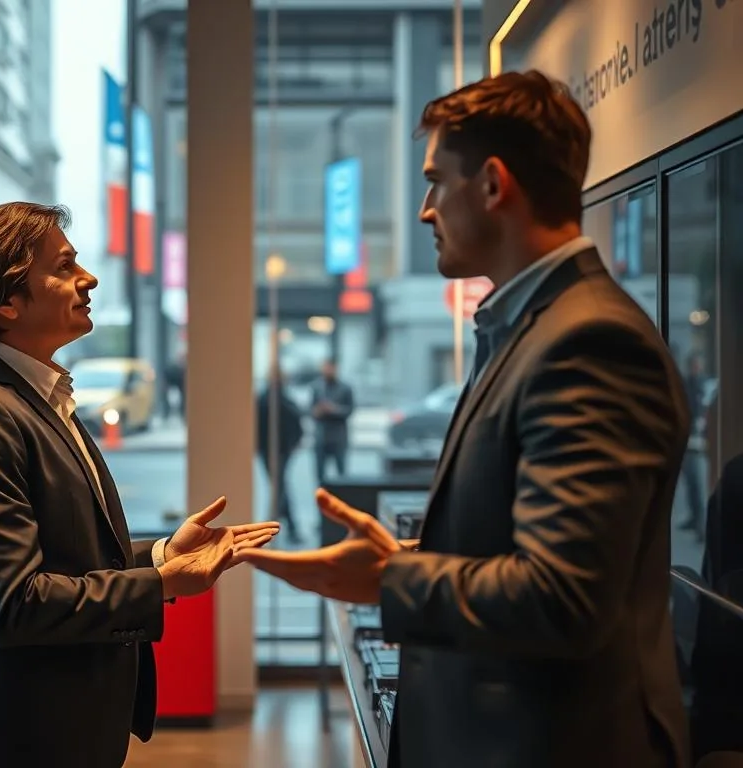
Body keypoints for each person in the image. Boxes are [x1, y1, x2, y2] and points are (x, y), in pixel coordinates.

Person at [241, 70, 691, 768]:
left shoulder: (589, 342)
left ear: (491, 185)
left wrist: (389, 581)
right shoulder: (532, 327)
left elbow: (563, 596)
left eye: (435, 181)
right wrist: (409, 562)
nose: (425, 209)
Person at [0, 202, 279, 768]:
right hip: (23, 738)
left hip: (63, 725)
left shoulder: (30, 397)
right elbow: (15, 604)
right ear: (6, 301)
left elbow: (57, 557)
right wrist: (160, 584)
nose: (90, 278)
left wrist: (157, 558)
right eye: (63, 266)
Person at [256, 367, 305, 544]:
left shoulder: (282, 399)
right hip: (268, 449)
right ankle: (288, 527)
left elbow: (295, 421)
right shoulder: (265, 399)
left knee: (279, 487)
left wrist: (294, 442)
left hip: (281, 449)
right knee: (280, 487)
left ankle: (276, 526)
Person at [310, 360, 354, 484]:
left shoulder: (345, 388)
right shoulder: (317, 387)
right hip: (321, 436)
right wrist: (318, 411)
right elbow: (311, 410)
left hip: (338, 437)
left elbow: (350, 410)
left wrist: (334, 409)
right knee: (320, 474)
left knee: (342, 474)